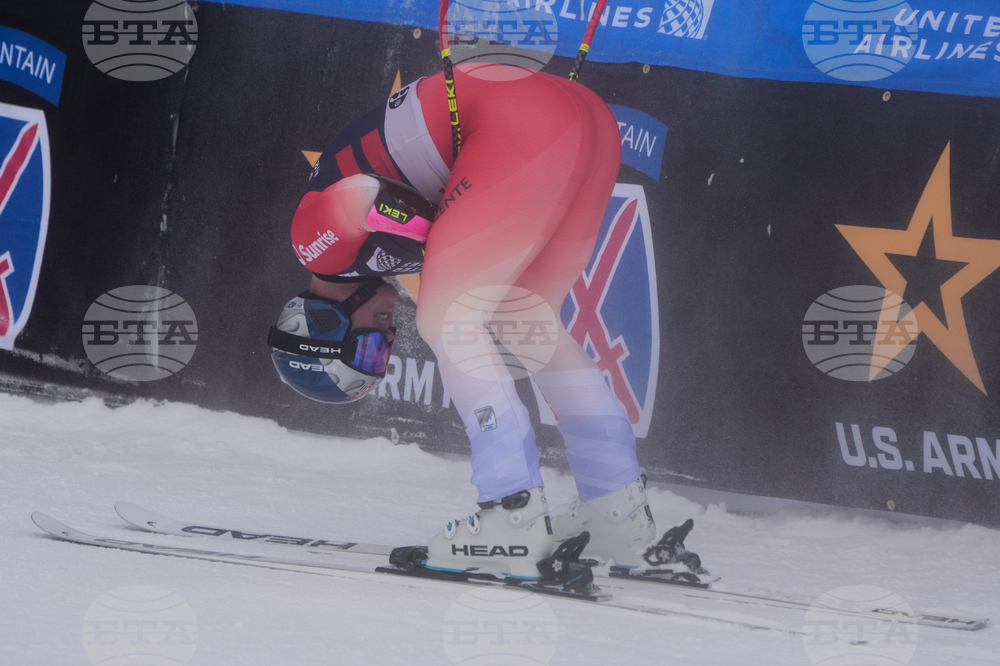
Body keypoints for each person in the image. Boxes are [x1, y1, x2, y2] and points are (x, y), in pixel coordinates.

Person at [269, 63, 692, 582]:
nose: (384, 340)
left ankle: (511, 513)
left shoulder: (315, 249)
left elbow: (362, 197)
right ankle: (616, 510)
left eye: (366, 351)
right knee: (525, 319)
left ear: (320, 328)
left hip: (521, 116)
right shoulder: (364, 267)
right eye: (379, 360)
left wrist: (441, 231)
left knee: (448, 316)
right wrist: (450, 232)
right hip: (584, 123)